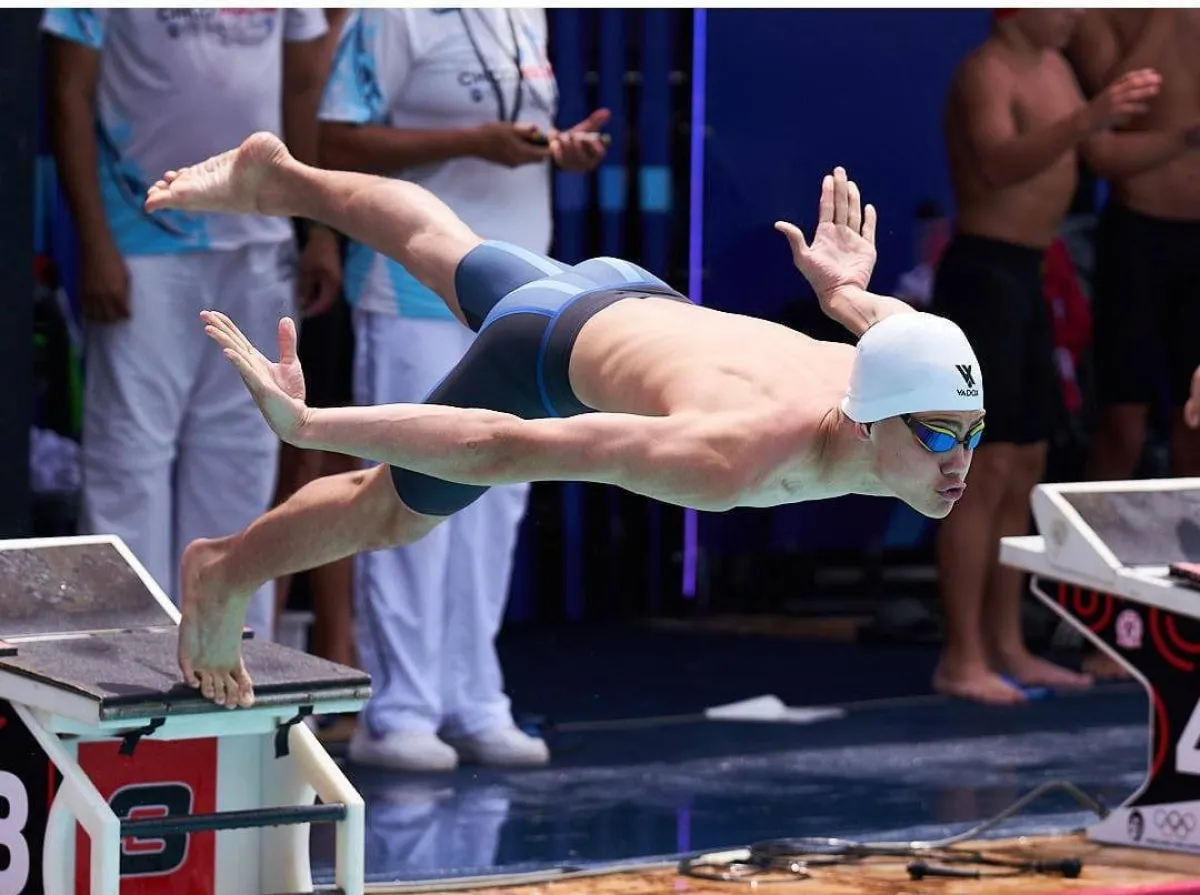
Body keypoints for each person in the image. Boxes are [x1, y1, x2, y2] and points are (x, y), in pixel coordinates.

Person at [143, 133, 986, 710]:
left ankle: (277, 176)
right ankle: (222, 570)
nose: (960, 462)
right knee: (389, 511)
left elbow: (888, 331)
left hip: (627, 292)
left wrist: (843, 293)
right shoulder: (731, 456)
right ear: (873, 422)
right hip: (547, 350)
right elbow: (501, 445)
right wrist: (314, 424)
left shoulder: (894, 368)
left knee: (444, 246)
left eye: (971, 433)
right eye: (942, 437)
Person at [316, 8, 608, 771]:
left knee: (498, 494)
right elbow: (333, 139)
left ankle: (475, 697)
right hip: (412, 291)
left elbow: (513, 132)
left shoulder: (526, 11)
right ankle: (399, 707)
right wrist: (468, 142)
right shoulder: (393, 14)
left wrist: (559, 149)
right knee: (412, 489)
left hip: (521, 294)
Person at [41, 8, 338, 642]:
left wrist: (316, 229)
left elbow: (306, 84)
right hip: (141, 241)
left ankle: (231, 651)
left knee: (243, 457)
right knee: (129, 457)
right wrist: (94, 241)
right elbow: (67, 90)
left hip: (260, 243)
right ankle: (123, 663)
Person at [928, 8, 1160, 705]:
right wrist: (1087, 119)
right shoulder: (986, 72)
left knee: (1026, 461)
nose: (1078, 14)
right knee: (982, 464)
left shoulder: (1058, 70)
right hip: (984, 275)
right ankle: (960, 653)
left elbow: (1102, 157)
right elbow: (999, 162)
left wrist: (1182, 138)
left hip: (1032, 273)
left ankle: (1007, 643)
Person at [1068, 11, 1200, 483]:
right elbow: (1113, 106)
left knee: (1197, 425)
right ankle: (1096, 554)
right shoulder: (1103, 14)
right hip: (1139, 233)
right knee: (1122, 427)